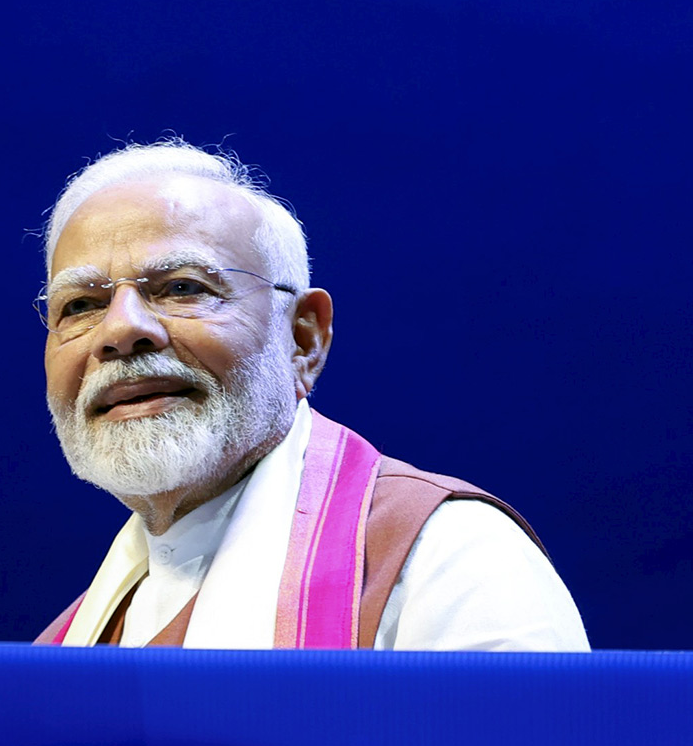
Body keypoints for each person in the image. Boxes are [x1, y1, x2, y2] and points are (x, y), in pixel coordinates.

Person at [33, 139, 589, 651]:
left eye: (183, 287)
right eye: (80, 305)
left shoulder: (449, 562)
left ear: (303, 339)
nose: (120, 330)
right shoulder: (71, 643)